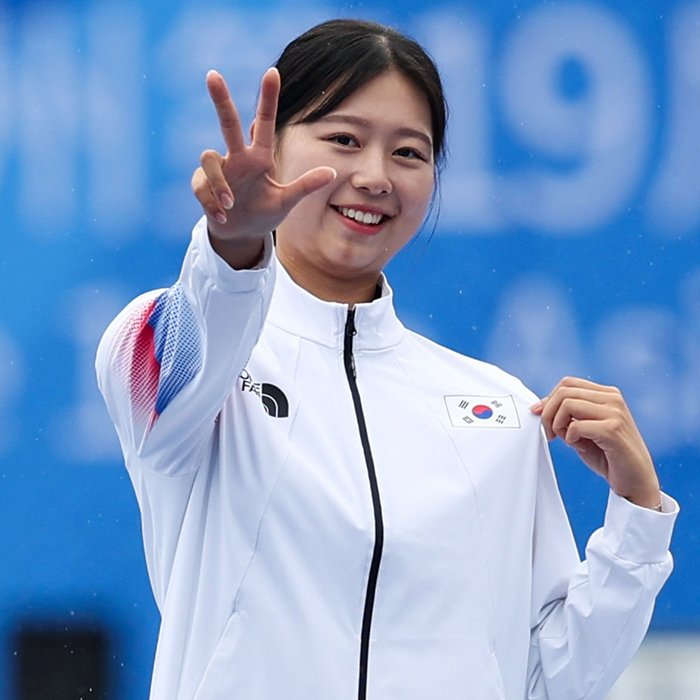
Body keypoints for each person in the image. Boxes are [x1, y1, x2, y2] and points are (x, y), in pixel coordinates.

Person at [95, 18, 678, 700]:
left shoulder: (498, 411)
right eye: (344, 140)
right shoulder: (170, 357)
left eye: (408, 152)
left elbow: (544, 681)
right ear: (270, 148)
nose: (374, 177)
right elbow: (196, 338)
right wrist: (232, 248)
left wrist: (638, 517)